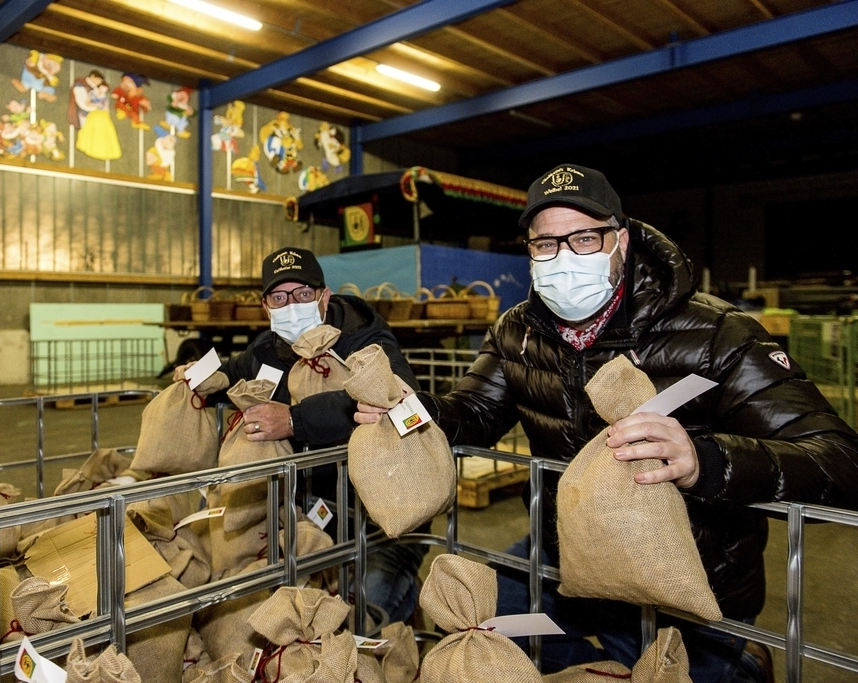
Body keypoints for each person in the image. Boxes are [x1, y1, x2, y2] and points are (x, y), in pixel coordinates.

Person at [356, 163, 858, 682]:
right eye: (544, 244)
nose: (563, 257)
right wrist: (410, 410)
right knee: (485, 622)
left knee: (686, 670)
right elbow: (475, 413)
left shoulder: (716, 334)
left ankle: (737, 660)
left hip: (692, 582)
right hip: (564, 557)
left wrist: (705, 460)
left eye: (584, 238)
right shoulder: (519, 331)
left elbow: (841, 462)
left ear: (620, 241)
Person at [214, 246, 427, 623]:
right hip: (313, 513)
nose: (291, 305)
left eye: (302, 295)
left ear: (324, 297)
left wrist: (296, 419)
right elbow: (228, 372)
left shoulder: (363, 337)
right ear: (265, 306)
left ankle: (405, 607)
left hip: (381, 520)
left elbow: (396, 394)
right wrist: (196, 377)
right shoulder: (268, 350)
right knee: (299, 610)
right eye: (279, 297)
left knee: (361, 609)